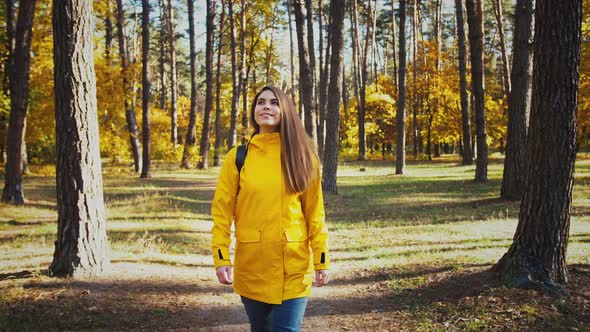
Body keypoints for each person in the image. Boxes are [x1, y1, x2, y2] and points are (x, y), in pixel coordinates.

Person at [211, 86, 330, 332]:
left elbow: (315, 214)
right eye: (261, 102)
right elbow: (222, 211)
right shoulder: (238, 157)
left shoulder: (304, 157)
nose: (266, 106)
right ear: (254, 111)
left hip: (293, 268)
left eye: (274, 102)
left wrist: (321, 260)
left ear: (285, 111)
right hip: (252, 266)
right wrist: (221, 256)